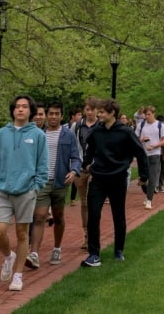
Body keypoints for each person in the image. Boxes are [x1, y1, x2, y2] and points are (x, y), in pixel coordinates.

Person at [0, 95, 48, 292]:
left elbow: (42, 166)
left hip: (26, 191)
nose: (20, 110)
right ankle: (8, 256)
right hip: (0, 190)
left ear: (30, 111)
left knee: (21, 234)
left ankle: (18, 275)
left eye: (25, 107)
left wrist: (35, 186)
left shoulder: (38, 135)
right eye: (17, 107)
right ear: (12, 110)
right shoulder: (1, 134)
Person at [80, 99, 149, 267]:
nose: (99, 115)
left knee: (118, 215)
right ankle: (94, 254)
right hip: (98, 179)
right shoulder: (97, 132)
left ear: (112, 113)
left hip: (118, 179)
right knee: (94, 215)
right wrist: (86, 165)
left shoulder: (125, 132)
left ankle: (119, 250)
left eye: (102, 112)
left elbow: (140, 153)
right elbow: (90, 150)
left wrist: (143, 176)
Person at [28, 101, 80, 268]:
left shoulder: (68, 135)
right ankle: (34, 253)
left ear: (61, 116)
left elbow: (76, 157)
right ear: (46, 115)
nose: (53, 117)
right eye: (51, 113)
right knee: (40, 216)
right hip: (42, 181)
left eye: (57, 114)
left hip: (60, 181)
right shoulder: (37, 133)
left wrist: (73, 171)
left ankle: (57, 248)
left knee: (58, 217)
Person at [72, 97, 100, 249]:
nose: (89, 112)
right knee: (84, 203)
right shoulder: (77, 126)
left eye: (92, 109)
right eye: (87, 109)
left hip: (97, 169)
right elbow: (73, 145)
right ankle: (87, 236)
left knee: (94, 202)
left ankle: (94, 235)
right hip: (81, 168)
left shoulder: (101, 126)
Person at [134, 106, 164, 207]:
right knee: (143, 178)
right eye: (146, 114)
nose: (147, 116)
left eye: (149, 114)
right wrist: (141, 140)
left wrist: (155, 145)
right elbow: (135, 139)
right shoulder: (141, 125)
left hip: (155, 154)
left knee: (152, 177)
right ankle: (148, 193)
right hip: (143, 154)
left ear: (154, 114)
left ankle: (149, 200)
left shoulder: (160, 125)